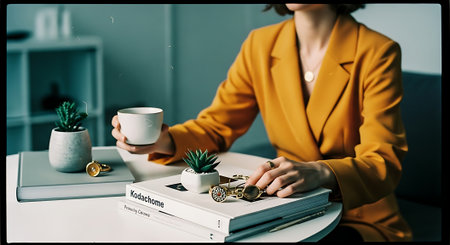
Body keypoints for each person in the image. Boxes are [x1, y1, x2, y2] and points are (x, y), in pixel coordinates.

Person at [112, 4, 412, 241]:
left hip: (358, 216)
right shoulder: (261, 44)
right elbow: (217, 125)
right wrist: (163, 141)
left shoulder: (377, 51)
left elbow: (384, 160)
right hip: (283, 205)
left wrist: (322, 171)